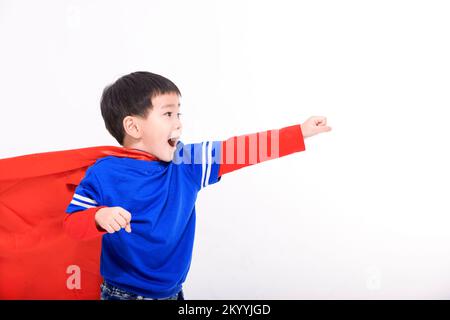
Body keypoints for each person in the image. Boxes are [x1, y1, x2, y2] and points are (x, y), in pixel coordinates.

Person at [63, 71, 332, 300]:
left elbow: (239, 150)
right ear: (133, 126)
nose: (179, 122)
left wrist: (299, 132)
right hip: (121, 293)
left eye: (179, 113)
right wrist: (99, 216)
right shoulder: (104, 173)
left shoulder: (186, 162)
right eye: (168, 114)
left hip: (173, 292)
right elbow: (72, 223)